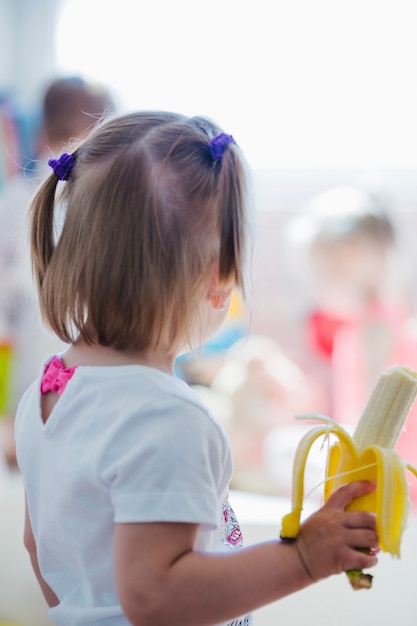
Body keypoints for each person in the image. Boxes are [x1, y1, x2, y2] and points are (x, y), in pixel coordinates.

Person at [14, 111, 378, 626]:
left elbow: (40, 548)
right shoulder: (166, 418)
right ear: (219, 279)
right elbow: (157, 597)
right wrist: (302, 558)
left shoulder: (49, 391)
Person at [0, 76, 114, 464]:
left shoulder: (19, 196)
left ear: (42, 129)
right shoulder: (107, 204)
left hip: (33, 357)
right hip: (83, 358)